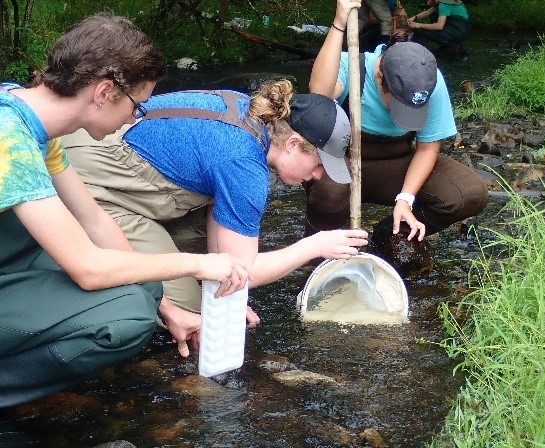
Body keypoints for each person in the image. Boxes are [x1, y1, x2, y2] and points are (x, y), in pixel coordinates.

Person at [0, 12, 252, 408]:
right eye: (139, 104)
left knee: (146, 287)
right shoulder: (8, 137)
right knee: (127, 318)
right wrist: (196, 265)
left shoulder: (32, 120)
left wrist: (167, 308)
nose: (138, 116)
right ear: (104, 93)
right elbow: (87, 268)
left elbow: (94, 220)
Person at [61, 80, 369, 333]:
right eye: (317, 165)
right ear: (291, 144)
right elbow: (245, 269)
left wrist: (228, 295)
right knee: (193, 314)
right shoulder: (246, 167)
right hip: (93, 184)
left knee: (216, 292)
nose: (316, 177)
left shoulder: (249, 112)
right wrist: (314, 245)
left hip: (86, 139)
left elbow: (223, 242)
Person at [306, 0, 487, 255]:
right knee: (329, 191)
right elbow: (320, 94)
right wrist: (339, 24)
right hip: (344, 163)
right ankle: (318, 253)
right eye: (399, 104)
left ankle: (386, 238)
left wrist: (405, 199)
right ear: (380, 78)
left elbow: (427, 148)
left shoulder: (427, 79)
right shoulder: (353, 67)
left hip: (398, 166)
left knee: (469, 193)